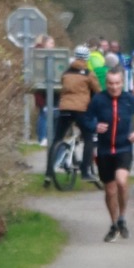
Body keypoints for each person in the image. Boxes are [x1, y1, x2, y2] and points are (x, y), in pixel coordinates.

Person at [87, 65, 134, 240]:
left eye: (117, 83)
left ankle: (122, 218)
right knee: (110, 190)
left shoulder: (129, 99)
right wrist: (94, 126)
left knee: (121, 181)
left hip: (123, 148)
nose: (114, 87)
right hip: (104, 150)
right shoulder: (98, 100)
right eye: (111, 83)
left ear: (122, 82)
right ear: (106, 83)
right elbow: (86, 118)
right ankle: (114, 225)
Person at [45, 46, 99, 185]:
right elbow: (97, 91)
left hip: (64, 108)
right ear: (87, 58)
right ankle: (85, 172)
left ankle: (48, 173)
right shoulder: (88, 73)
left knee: (57, 139)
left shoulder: (66, 73)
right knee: (88, 138)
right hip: (81, 110)